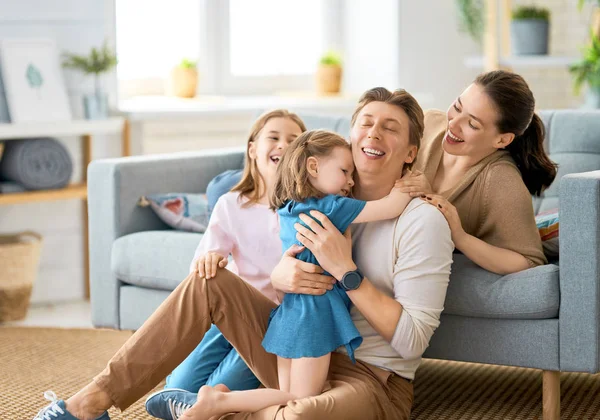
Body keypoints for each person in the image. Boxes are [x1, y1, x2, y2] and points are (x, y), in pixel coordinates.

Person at [42, 72, 560, 419]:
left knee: (298, 416)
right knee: (208, 281)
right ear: (348, 136)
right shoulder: (323, 201)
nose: (373, 133)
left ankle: (221, 405)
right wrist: (283, 276)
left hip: (373, 377)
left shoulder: (421, 219)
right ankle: (92, 401)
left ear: (409, 152)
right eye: (365, 122)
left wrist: (347, 272)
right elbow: (287, 266)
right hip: (301, 350)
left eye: (391, 128)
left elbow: (412, 343)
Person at [173, 129, 416, 419]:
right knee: (300, 399)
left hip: (289, 312)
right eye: (344, 171)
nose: (351, 182)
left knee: (286, 393)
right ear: (313, 167)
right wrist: (409, 183)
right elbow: (391, 207)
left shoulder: (289, 208)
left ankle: (223, 400)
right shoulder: (331, 206)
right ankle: (222, 402)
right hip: (314, 313)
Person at [141, 109, 307, 418]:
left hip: (275, 324)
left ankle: (212, 406)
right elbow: (203, 265)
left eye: (293, 141)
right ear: (252, 149)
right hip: (230, 316)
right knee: (176, 387)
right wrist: (210, 258)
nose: (283, 145)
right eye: (273, 137)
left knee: (218, 389)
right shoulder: (231, 204)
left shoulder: (306, 207)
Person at [397, 70, 557, 275]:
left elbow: (530, 261)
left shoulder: (501, 181)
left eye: (472, 124)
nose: (453, 124)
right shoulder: (426, 124)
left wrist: (460, 236)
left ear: (501, 140)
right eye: (457, 107)